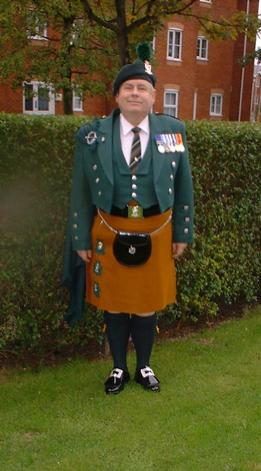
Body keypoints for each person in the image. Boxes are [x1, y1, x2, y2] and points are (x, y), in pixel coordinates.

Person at [64, 43, 194, 394]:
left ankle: (145, 366)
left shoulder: (172, 131)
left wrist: (182, 232)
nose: (135, 94)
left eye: (142, 88)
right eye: (128, 88)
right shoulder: (92, 136)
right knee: (116, 306)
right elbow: (79, 192)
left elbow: (183, 187)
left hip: (157, 230)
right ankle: (119, 368)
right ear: (117, 96)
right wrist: (80, 240)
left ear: (154, 96)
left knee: (149, 304)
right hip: (108, 228)